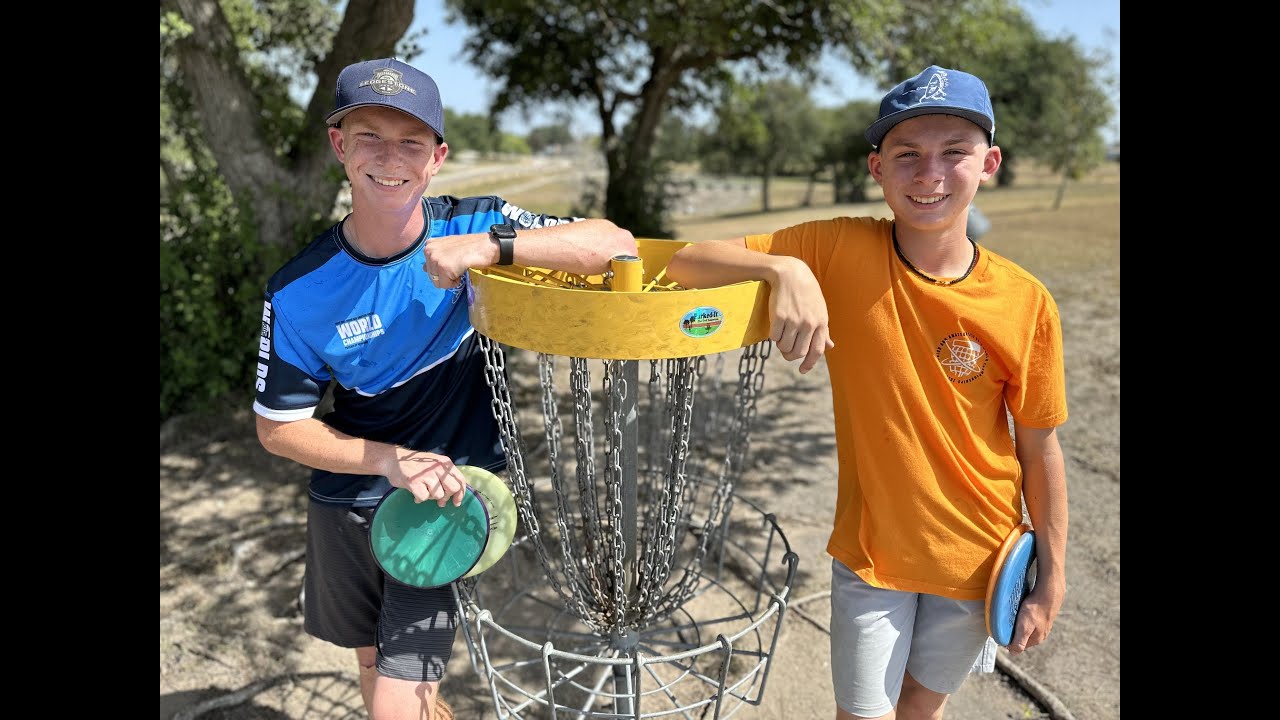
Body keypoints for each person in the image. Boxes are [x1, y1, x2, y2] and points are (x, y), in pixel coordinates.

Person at [665, 65, 1067, 720]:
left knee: (921, 707)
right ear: (877, 168)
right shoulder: (837, 249)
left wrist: (1052, 576)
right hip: (871, 558)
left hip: (981, 562)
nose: (928, 173)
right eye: (907, 155)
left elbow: (1040, 451)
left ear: (989, 162)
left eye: (953, 153)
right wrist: (783, 266)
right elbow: (685, 261)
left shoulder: (1025, 303)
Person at [251, 57, 637, 720]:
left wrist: (494, 249)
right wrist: (383, 460)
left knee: (395, 701)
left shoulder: (475, 223)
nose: (391, 157)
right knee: (375, 669)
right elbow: (279, 427)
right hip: (347, 501)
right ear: (339, 146)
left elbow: (613, 243)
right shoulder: (298, 290)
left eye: (412, 141)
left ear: (437, 157)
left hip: (446, 495)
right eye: (369, 135)